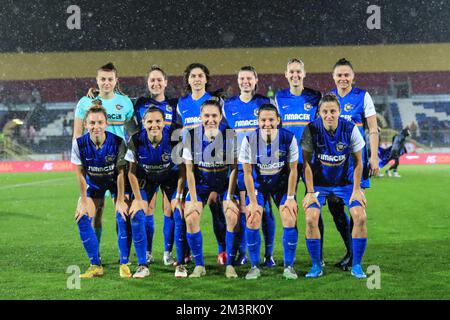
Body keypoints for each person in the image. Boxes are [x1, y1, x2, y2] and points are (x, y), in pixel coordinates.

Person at [301, 93, 368, 279]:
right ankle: (316, 265)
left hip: (345, 184)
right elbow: (305, 164)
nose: (329, 115)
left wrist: (357, 189)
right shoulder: (311, 130)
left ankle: (357, 265)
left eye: (332, 111)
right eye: (325, 111)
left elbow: (358, 162)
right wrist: (310, 192)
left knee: (360, 216)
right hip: (320, 185)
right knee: (310, 217)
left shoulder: (350, 128)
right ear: (319, 112)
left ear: (339, 111)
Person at [71, 103, 137, 278]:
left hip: (116, 184)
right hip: (93, 185)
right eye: (92, 123)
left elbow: (121, 174)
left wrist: (121, 200)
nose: (96, 127)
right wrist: (83, 202)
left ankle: (124, 263)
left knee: (123, 215)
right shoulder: (78, 144)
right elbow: (80, 175)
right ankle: (95, 265)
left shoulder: (117, 142)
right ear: (85, 124)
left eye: (100, 122)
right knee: (81, 217)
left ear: (106, 123)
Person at [72, 62, 134, 252]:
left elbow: (132, 134)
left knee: (123, 211)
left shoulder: (126, 103)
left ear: (116, 81)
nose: (106, 83)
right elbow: (77, 134)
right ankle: (95, 254)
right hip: (94, 166)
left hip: (119, 166)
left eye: (110, 79)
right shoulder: (85, 103)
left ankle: (124, 256)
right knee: (94, 213)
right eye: (102, 79)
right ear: (97, 81)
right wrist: (79, 161)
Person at [324, 58, 379, 270]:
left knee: (356, 209)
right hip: (332, 165)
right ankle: (350, 251)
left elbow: (373, 128)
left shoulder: (363, 97)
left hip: (355, 164)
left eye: (347, 75)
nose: (343, 78)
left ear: (353, 77)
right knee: (335, 208)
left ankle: (354, 257)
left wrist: (374, 157)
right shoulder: (328, 98)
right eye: (339, 75)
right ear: (334, 77)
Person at [223, 65, 276, 267]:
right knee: (246, 210)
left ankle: (268, 255)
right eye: (242, 78)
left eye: (249, 78)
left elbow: (272, 130)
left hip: (263, 165)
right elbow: (227, 136)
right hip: (239, 165)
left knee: (267, 210)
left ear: (256, 81)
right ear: (238, 81)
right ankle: (243, 252)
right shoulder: (228, 105)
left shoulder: (264, 102)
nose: (245, 82)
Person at [125, 107, 187, 278]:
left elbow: (183, 170)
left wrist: (180, 196)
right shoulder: (136, 139)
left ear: (163, 122)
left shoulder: (174, 138)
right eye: (150, 121)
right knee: (137, 214)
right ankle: (142, 264)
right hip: (147, 180)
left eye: (158, 121)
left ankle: (180, 264)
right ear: (144, 123)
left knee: (179, 213)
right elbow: (131, 172)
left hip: (171, 179)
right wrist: (137, 199)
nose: (154, 125)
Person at [239, 104, 299, 280]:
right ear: (257, 122)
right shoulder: (249, 140)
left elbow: (294, 170)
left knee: (289, 216)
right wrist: (253, 202)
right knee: (253, 217)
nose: (267, 123)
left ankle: (289, 266)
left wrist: (290, 198)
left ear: (278, 120)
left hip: (281, 184)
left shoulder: (288, 138)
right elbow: (248, 173)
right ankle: (254, 266)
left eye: (271, 119)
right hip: (258, 184)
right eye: (263, 120)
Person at [176, 63, 228, 265]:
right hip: (192, 165)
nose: (197, 79)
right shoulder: (181, 103)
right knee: (182, 211)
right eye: (193, 76)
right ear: (188, 80)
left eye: (200, 75)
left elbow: (222, 131)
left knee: (221, 210)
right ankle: (184, 255)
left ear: (206, 79)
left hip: (216, 165)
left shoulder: (216, 102)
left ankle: (226, 252)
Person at [182, 99, 238, 278]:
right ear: (200, 117)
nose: (210, 119)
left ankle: (230, 265)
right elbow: (189, 170)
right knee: (190, 216)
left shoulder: (229, 135)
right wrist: (192, 198)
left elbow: (234, 167)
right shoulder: (191, 136)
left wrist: (229, 195)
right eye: (206, 115)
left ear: (221, 117)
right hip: (201, 185)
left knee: (231, 215)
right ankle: (199, 266)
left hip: (223, 184)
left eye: (214, 115)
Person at [274, 57, 322, 262]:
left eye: (298, 71)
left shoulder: (315, 97)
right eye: (291, 72)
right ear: (286, 75)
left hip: (311, 161)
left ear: (304, 74)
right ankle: (289, 257)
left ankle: (318, 257)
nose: (295, 75)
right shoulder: (278, 97)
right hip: (288, 163)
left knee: (314, 209)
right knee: (289, 207)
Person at [131, 65, 179, 266]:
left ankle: (168, 253)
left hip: (169, 164)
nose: (156, 83)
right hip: (147, 165)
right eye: (152, 80)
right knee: (147, 207)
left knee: (170, 208)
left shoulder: (176, 104)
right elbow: (120, 103)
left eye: (160, 80)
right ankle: (148, 252)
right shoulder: (140, 103)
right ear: (148, 83)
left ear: (166, 83)